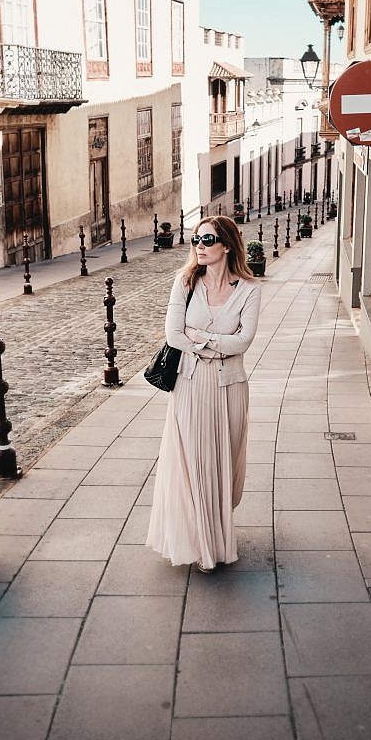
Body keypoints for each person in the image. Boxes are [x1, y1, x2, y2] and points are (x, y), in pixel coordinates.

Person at [146, 215, 261, 573]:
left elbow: (244, 341)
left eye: (208, 239)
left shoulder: (249, 289)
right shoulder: (185, 282)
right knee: (197, 464)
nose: (199, 246)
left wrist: (201, 338)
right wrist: (215, 346)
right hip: (191, 385)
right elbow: (173, 335)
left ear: (226, 245)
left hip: (230, 387)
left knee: (224, 463)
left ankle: (216, 531)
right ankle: (204, 546)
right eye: (196, 239)